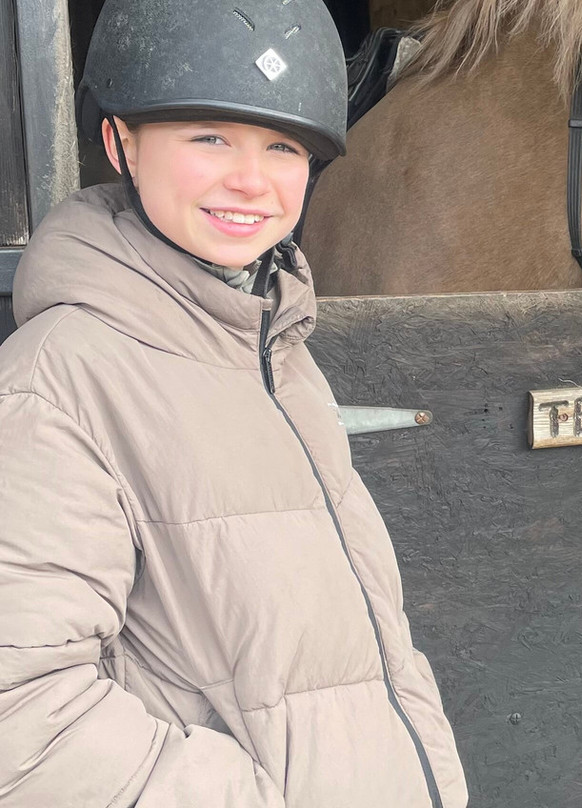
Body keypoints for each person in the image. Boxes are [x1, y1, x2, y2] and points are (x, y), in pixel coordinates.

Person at [0, 1, 467, 805]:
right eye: (209, 136)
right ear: (122, 144)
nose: (251, 180)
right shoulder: (58, 381)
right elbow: (23, 716)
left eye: (283, 146)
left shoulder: (279, 357)